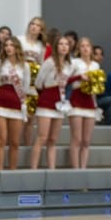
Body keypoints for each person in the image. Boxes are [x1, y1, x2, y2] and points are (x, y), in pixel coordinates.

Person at [31, 34, 73, 169]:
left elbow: (66, 83)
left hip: (59, 104)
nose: (64, 47)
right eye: (61, 44)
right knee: (42, 137)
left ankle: (52, 169)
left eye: (66, 44)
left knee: (53, 139)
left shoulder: (69, 65)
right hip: (46, 102)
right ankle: (33, 169)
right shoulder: (49, 62)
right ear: (56, 46)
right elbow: (38, 82)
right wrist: (46, 94)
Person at [0, 36, 30, 171]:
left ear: (17, 47)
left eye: (11, 45)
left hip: (16, 104)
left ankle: (12, 172)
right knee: (1, 139)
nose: (8, 48)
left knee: (15, 142)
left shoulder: (24, 66)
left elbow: (26, 87)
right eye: (6, 45)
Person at [66, 37, 101, 168]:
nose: (85, 48)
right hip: (76, 100)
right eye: (82, 46)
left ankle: (83, 168)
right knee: (77, 139)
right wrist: (79, 77)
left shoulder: (95, 65)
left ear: (91, 49)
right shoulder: (74, 62)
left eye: (88, 46)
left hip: (90, 102)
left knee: (86, 141)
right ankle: (76, 170)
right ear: (78, 49)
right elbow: (65, 80)